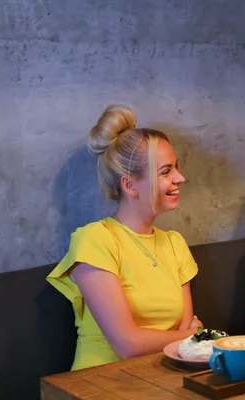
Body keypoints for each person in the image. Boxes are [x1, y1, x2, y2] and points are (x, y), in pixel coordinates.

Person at [47, 105, 203, 370]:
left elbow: (183, 342)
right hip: (100, 383)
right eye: (165, 172)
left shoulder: (174, 244)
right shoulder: (95, 240)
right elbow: (127, 344)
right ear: (129, 185)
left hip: (161, 377)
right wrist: (191, 336)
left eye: (176, 167)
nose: (180, 178)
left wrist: (187, 337)